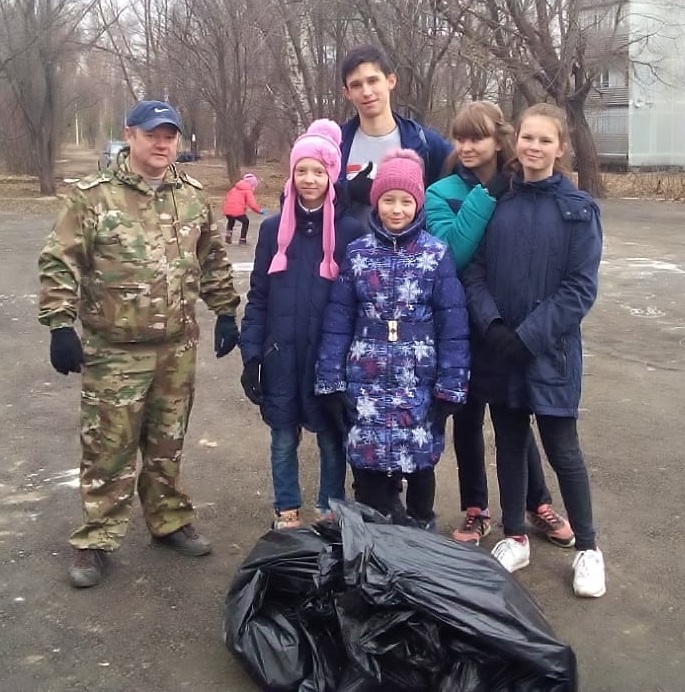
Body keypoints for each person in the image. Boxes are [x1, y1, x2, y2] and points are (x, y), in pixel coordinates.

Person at [38, 100, 241, 589]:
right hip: (115, 350)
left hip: (176, 346)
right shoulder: (93, 196)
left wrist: (225, 311)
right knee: (108, 446)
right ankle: (95, 537)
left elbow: (212, 258)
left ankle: (169, 519)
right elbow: (60, 260)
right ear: (129, 135)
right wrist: (60, 324)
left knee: (167, 442)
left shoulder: (191, 195)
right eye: (152, 134)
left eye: (169, 135)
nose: (162, 144)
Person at [461, 103, 606, 597]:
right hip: (501, 349)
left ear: (560, 148)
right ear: (515, 141)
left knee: (563, 450)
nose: (534, 147)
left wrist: (529, 337)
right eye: (528, 138)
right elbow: (474, 270)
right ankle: (515, 536)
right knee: (510, 444)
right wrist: (494, 326)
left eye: (545, 140)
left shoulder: (577, 210)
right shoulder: (497, 202)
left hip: (551, 355)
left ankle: (588, 548)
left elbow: (580, 288)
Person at [425, 101, 574, 548]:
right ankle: (476, 508)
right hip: (461, 324)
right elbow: (452, 254)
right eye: (460, 138)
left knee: (514, 415)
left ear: (498, 139)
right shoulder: (441, 192)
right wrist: (486, 193)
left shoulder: (521, 185)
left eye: (477, 137)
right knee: (468, 417)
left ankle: (536, 502)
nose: (467, 146)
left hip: (511, 326)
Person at [315, 149, 470, 529]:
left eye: (405, 201)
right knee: (368, 464)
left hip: (418, 381)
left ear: (418, 205)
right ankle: (374, 532)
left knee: (419, 460)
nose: (396, 209)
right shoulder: (358, 254)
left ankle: (419, 528)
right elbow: (339, 320)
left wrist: (451, 386)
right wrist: (330, 379)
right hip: (365, 380)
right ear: (376, 202)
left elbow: (453, 325)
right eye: (388, 200)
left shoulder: (436, 255)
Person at [239, 119, 366, 530]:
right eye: (302, 170)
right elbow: (259, 296)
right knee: (282, 437)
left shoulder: (350, 231)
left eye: (319, 171)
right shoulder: (272, 230)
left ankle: (329, 510)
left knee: (331, 437)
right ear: (291, 175)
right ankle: (286, 509)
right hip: (281, 356)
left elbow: (358, 302)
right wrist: (252, 354)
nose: (310, 179)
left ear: (332, 176)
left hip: (328, 359)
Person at [338, 44, 452, 226]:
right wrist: (346, 190)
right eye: (356, 85)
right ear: (347, 93)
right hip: (348, 244)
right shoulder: (335, 144)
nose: (366, 92)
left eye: (373, 81)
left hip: (411, 244)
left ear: (391, 81)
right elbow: (303, 199)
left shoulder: (424, 142)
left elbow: (466, 176)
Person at [222, 172, 266, 245]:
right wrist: (259, 211)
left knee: (231, 220)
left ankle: (228, 237)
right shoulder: (248, 190)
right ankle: (242, 239)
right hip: (237, 210)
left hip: (227, 210)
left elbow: (227, 198)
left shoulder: (234, 188)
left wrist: (225, 209)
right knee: (245, 222)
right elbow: (252, 204)